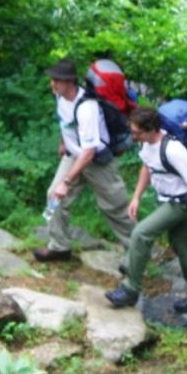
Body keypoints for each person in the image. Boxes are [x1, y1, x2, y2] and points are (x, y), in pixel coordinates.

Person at [105, 106, 187, 312]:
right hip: (164, 199)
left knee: (141, 233)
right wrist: (136, 197)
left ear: (151, 129)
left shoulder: (173, 150)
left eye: (137, 132)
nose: (133, 136)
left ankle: (130, 289)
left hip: (180, 202)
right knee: (185, 247)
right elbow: (148, 166)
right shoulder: (146, 143)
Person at [33, 58, 136, 262]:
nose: (52, 84)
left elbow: (89, 152)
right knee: (54, 196)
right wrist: (63, 142)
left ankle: (137, 251)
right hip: (74, 156)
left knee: (115, 207)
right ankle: (59, 247)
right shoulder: (60, 96)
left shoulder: (87, 107)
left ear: (70, 81)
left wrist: (66, 182)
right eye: (52, 79)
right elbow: (64, 121)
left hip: (98, 162)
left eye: (57, 80)